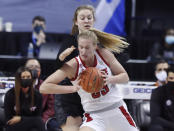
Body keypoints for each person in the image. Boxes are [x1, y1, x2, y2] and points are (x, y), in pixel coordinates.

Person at [40, 30, 138, 131]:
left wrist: (110, 79)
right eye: (81, 47)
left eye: (87, 48)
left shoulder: (104, 54)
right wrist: (73, 88)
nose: (83, 51)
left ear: (95, 46)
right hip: (94, 115)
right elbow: (44, 87)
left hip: (116, 110)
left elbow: (125, 76)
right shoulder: (73, 65)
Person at [55, 5, 129, 131]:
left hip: (95, 97)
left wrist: (104, 72)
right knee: (72, 127)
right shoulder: (70, 41)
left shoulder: (99, 41)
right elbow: (58, 66)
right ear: (76, 22)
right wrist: (61, 58)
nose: (86, 20)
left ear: (93, 20)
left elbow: (124, 56)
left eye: (89, 18)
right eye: (82, 18)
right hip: (71, 96)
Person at [4, 67, 45, 131]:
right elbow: (9, 119)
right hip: (14, 126)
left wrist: (21, 118)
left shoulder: (38, 95)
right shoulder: (10, 94)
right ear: (18, 79)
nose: (26, 79)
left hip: (31, 124)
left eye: (28, 77)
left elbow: (38, 116)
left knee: (38, 124)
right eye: (23, 77)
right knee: (38, 122)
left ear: (31, 78)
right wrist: (30, 120)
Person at [25, 59, 60, 131]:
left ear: (40, 70)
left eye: (37, 67)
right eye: (31, 66)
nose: (35, 69)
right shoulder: (18, 86)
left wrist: (42, 120)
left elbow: (51, 108)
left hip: (40, 118)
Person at [149, 66, 174, 131]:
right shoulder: (158, 92)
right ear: (166, 79)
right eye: (171, 78)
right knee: (156, 128)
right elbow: (155, 118)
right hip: (165, 126)